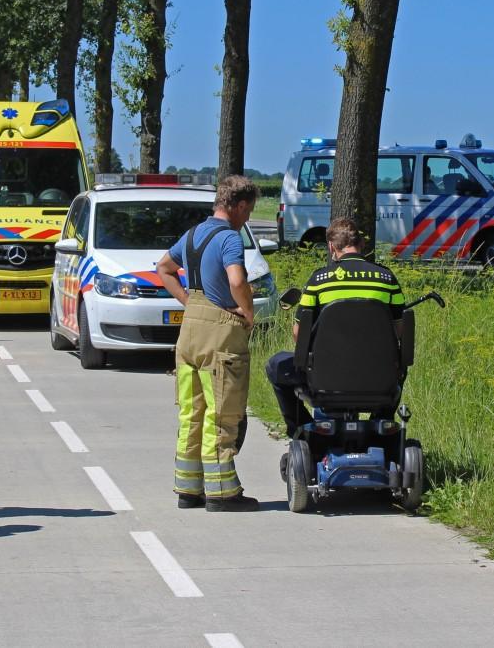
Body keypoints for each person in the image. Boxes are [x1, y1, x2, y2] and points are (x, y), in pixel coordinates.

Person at [156, 175, 259, 512]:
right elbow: (237, 279)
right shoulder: (229, 238)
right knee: (222, 415)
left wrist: (188, 301)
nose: (248, 219)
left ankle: (188, 490)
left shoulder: (193, 234)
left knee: (192, 412)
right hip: (220, 335)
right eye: (249, 211)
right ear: (240, 205)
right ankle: (222, 494)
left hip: (190, 333)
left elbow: (164, 268)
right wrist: (247, 311)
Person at [265, 218, 406, 442]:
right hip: (379, 377)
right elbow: (399, 331)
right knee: (399, 368)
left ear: (332, 247)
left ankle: (301, 431)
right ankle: (380, 426)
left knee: (275, 365)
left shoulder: (319, 280)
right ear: (361, 244)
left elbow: (298, 334)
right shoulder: (387, 278)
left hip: (324, 377)